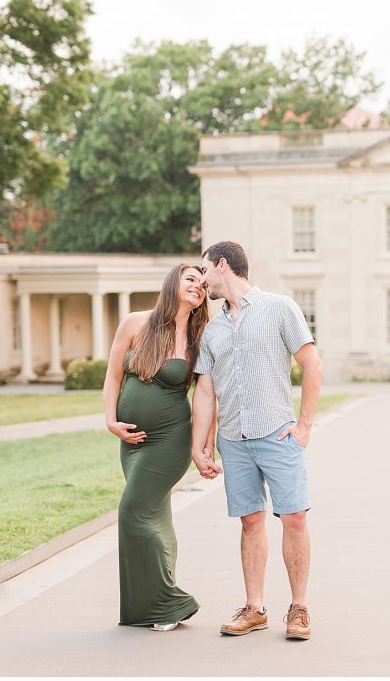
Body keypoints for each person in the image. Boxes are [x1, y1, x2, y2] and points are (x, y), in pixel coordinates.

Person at [190, 240, 323, 640]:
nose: (202, 279)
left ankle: (298, 608)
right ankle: (255, 607)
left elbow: (312, 364)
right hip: (234, 439)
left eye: (205, 270)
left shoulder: (279, 308)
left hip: (277, 434)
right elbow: (206, 392)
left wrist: (304, 427)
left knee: (294, 518)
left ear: (223, 265)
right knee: (250, 522)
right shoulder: (212, 330)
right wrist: (201, 445)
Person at [103, 263, 213, 631]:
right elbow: (114, 374)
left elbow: (206, 396)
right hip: (131, 442)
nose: (198, 286)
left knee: (134, 512)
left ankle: (167, 603)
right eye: (190, 279)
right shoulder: (136, 322)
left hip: (169, 441)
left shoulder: (200, 338)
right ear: (173, 283)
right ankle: (149, 607)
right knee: (156, 519)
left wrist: (204, 446)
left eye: (202, 283)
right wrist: (109, 420)